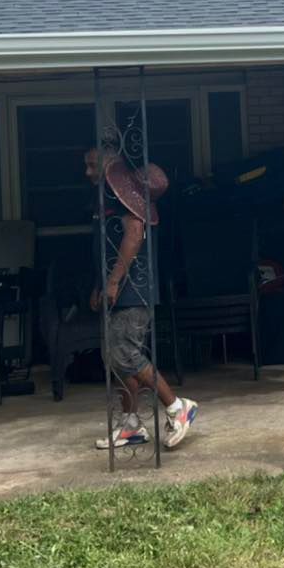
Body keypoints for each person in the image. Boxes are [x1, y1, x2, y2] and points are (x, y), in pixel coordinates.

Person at [85, 147, 197, 451]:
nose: (88, 173)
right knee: (116, 357)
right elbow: (106, 248)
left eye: (92, 166)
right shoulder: (109, 198)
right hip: (116, 289)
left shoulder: (126, 199)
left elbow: (133, 236)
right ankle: (131, 424)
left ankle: (177, 406)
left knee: (125, 353)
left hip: (132, 291)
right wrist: (100, 284)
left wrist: (113, 281)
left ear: (109, 166)